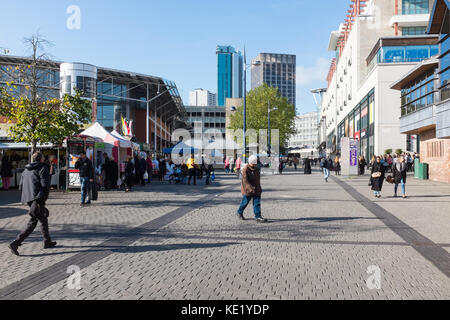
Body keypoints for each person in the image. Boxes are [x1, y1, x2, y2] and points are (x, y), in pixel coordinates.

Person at [8, 152, 57, 256]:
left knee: (42, 219)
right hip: (38, 198)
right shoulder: (42, 168)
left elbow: (21, 186)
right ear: (41, 159)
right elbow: (45, 184)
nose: (44, 159)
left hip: (29, 199)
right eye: (43, 157)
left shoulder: (26, 169)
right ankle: (15, 243)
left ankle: (47, 241)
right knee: (33, 222)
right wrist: (44, 197)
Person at [236, 155, 267, 223]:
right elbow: (245, 180)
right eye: (254, 163)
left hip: (256, 189)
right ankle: (239, 212)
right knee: (245, 202)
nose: (255, 164)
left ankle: (258, 216)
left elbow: (257, 179)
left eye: (255, 163)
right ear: (250, 162)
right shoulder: (245, 169)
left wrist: (259, 188)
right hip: (248, 190)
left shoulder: (256, 168)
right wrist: (250, 189)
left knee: (257, 203)